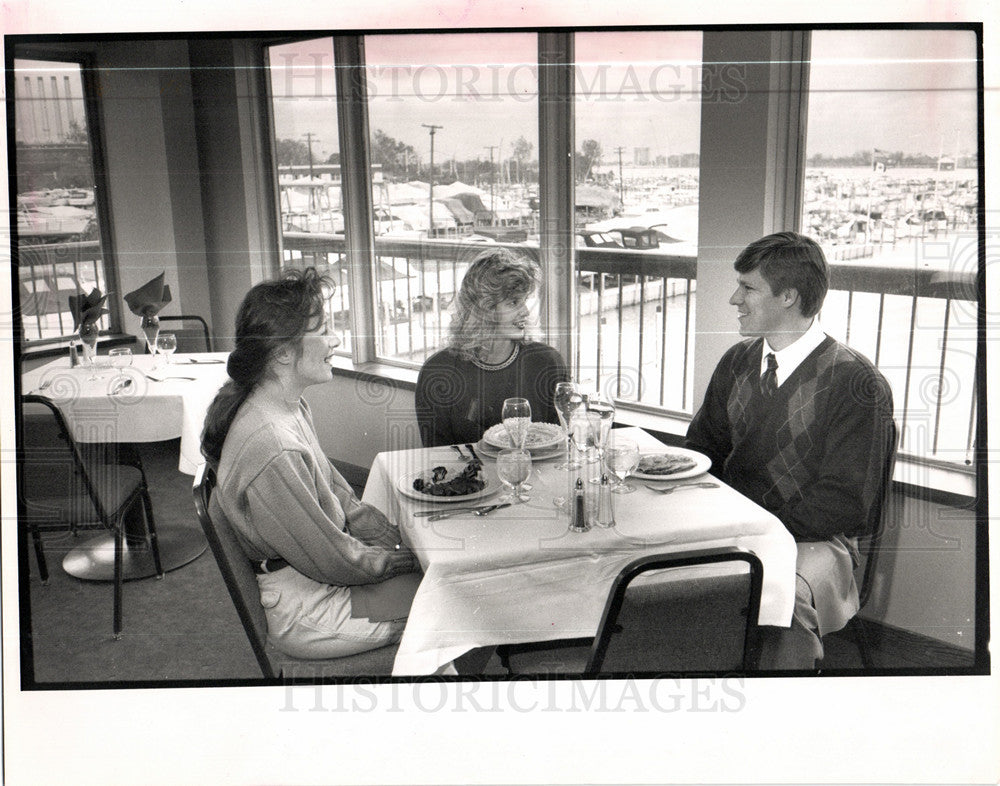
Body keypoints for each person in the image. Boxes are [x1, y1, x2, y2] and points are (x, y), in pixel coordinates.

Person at [685, 231, 895, 669]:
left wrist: (756, 531)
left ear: (789, 297)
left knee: (771, 592)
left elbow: (844, 503)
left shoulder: (857, 385)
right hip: (735, 529)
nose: (733, 299)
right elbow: (702, 448)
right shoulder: (737, 361)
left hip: (818, 541)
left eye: (748, 288)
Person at [201, 268, 420, 660]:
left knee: (435, 581)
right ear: (283, 352)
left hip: (315, 575)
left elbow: (330, 485)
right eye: (322, 331)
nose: (336, 339)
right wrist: (403, 560)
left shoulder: (284, 404)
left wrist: (368, 522)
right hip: (309, 605)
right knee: (448, 605)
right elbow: (333, 561)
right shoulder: (272, 446)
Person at [415, 247, 569, 447]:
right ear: (484, 309)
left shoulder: (547, 362)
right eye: (514, 302)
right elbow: (436, 457)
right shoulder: (438, 371)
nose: (525, 312)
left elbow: (562, 444)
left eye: (524, 302)